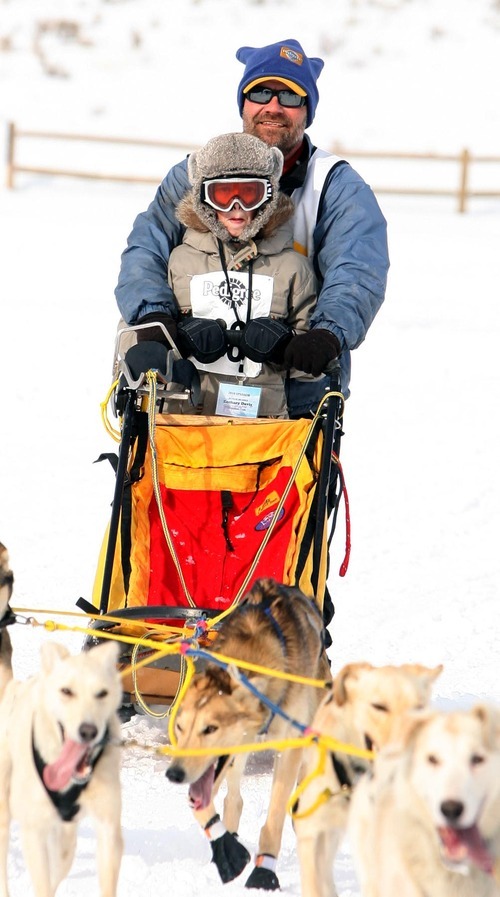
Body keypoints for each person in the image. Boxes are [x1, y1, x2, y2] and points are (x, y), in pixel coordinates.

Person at [115, 38, 390, 417]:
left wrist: (326, 334)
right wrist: (155, 321)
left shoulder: (335, 186)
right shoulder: (196, 173)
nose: (273, 107)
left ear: (307, 111)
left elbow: (358, 269)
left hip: (293, 388)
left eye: (290, 97)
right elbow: (147, 247)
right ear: (243, 104)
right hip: (189, 384)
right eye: (261, 92)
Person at [165, 131, 318, 417]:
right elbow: (141, 337)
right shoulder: (180, 261)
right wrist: (179, 340)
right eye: (223, 194)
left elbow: (312, 366)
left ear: (267, 196)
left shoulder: (292, 268)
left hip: (263, 429)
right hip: (185, 426)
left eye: (249, 194)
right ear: (204, 199)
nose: (236, 207)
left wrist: (285, 345)